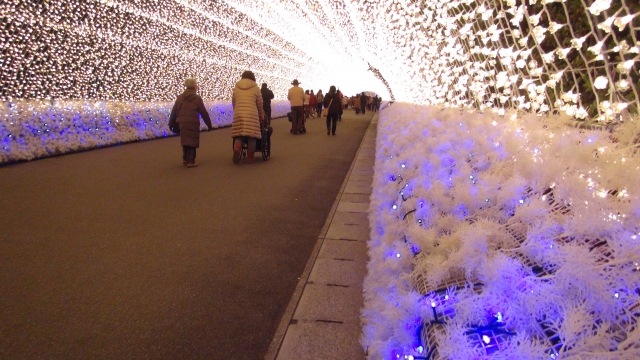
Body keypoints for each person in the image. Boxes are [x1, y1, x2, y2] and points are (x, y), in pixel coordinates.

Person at [168, 78, 213, 168]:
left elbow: (174, 111)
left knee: (185, 139)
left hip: (182, 122)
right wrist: (209, 124)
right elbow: (203, 112)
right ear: (194, 87)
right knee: (192, 140)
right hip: (193, 122)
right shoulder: (197, 98)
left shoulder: (180, 97)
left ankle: (185, 159)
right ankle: (191, 161)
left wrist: (171, 123)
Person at [232, 70, 265, 164]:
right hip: (252, 115)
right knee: (252, 136)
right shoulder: (255, 88)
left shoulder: (236, 87)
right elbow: (259, 104)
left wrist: (236, 111)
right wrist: (261, 116)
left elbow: (234, 102)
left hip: (239, 115)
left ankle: (237, 149)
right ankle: (250, 158)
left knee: (239, 135)